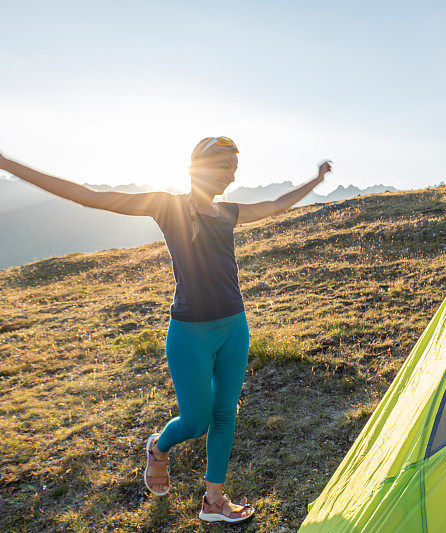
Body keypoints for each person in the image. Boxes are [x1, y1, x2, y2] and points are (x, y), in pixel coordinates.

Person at [0, 137, 332, 523]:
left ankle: (214, 501)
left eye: (234, 167)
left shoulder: (228, 213)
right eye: (224, 165)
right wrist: (9, 164)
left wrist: (315, 180)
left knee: (225, 413)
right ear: (197, 166)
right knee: (195, 422)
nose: (230, 174)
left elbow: (275, 206)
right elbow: (89, 196)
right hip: (190, 331)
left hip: (233, 324)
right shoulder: (169, 206)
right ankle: (158, 448)